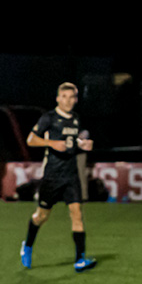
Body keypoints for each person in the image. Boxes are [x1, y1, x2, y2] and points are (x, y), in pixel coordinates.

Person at [20, 82, 95, 272]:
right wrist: (52, 143)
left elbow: (71, 143)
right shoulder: (49, 118)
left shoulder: (76, 118)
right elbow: (31, 139)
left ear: (76, 99)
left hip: (71, 176)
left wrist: (82, 145)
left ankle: (80, 259)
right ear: (58, 98)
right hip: (52, 177)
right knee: (42, 216)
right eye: (65, 97)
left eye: (72, 97)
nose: (68, 101)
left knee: (77, 214)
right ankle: (27, 245)